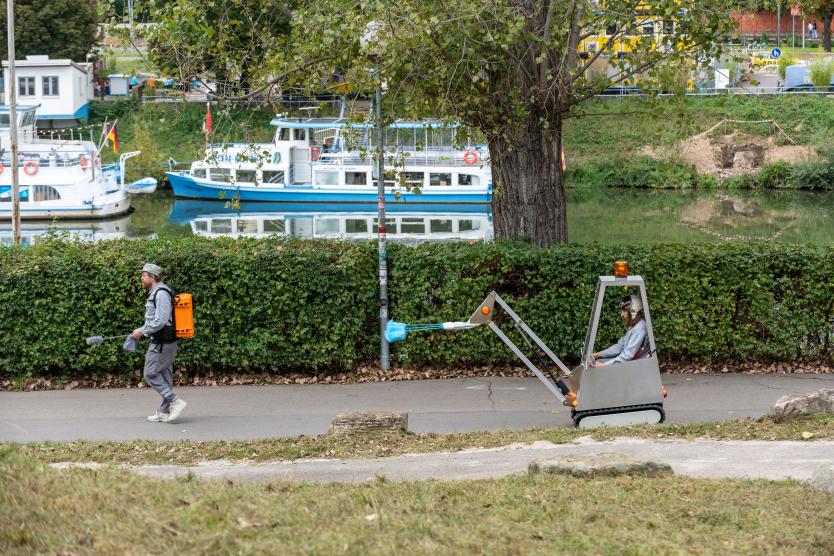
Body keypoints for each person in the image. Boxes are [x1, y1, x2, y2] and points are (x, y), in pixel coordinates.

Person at [131, 263, 187, 423]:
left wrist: (142, 331)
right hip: (163, 340)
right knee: (165, 375)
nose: (141, 278)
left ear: (153, 277)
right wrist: (141, 330)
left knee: (149, 373)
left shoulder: (161, 294)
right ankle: (163, 411)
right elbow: (155, 320)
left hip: (162, 342)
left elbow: (161, 320)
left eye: (144, 275)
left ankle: (175, 401)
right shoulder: (157, 292)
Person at [591, 295, 650, 366]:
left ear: (633, 311)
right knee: (600, 361)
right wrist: (598, 355)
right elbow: (620, 346)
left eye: (624, 311)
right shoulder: (635, 326)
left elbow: (628, 354)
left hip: (637, 366)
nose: (621, 314)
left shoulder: (640, 329)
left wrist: (605, 365)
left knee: (600, 365)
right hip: (631, 362)